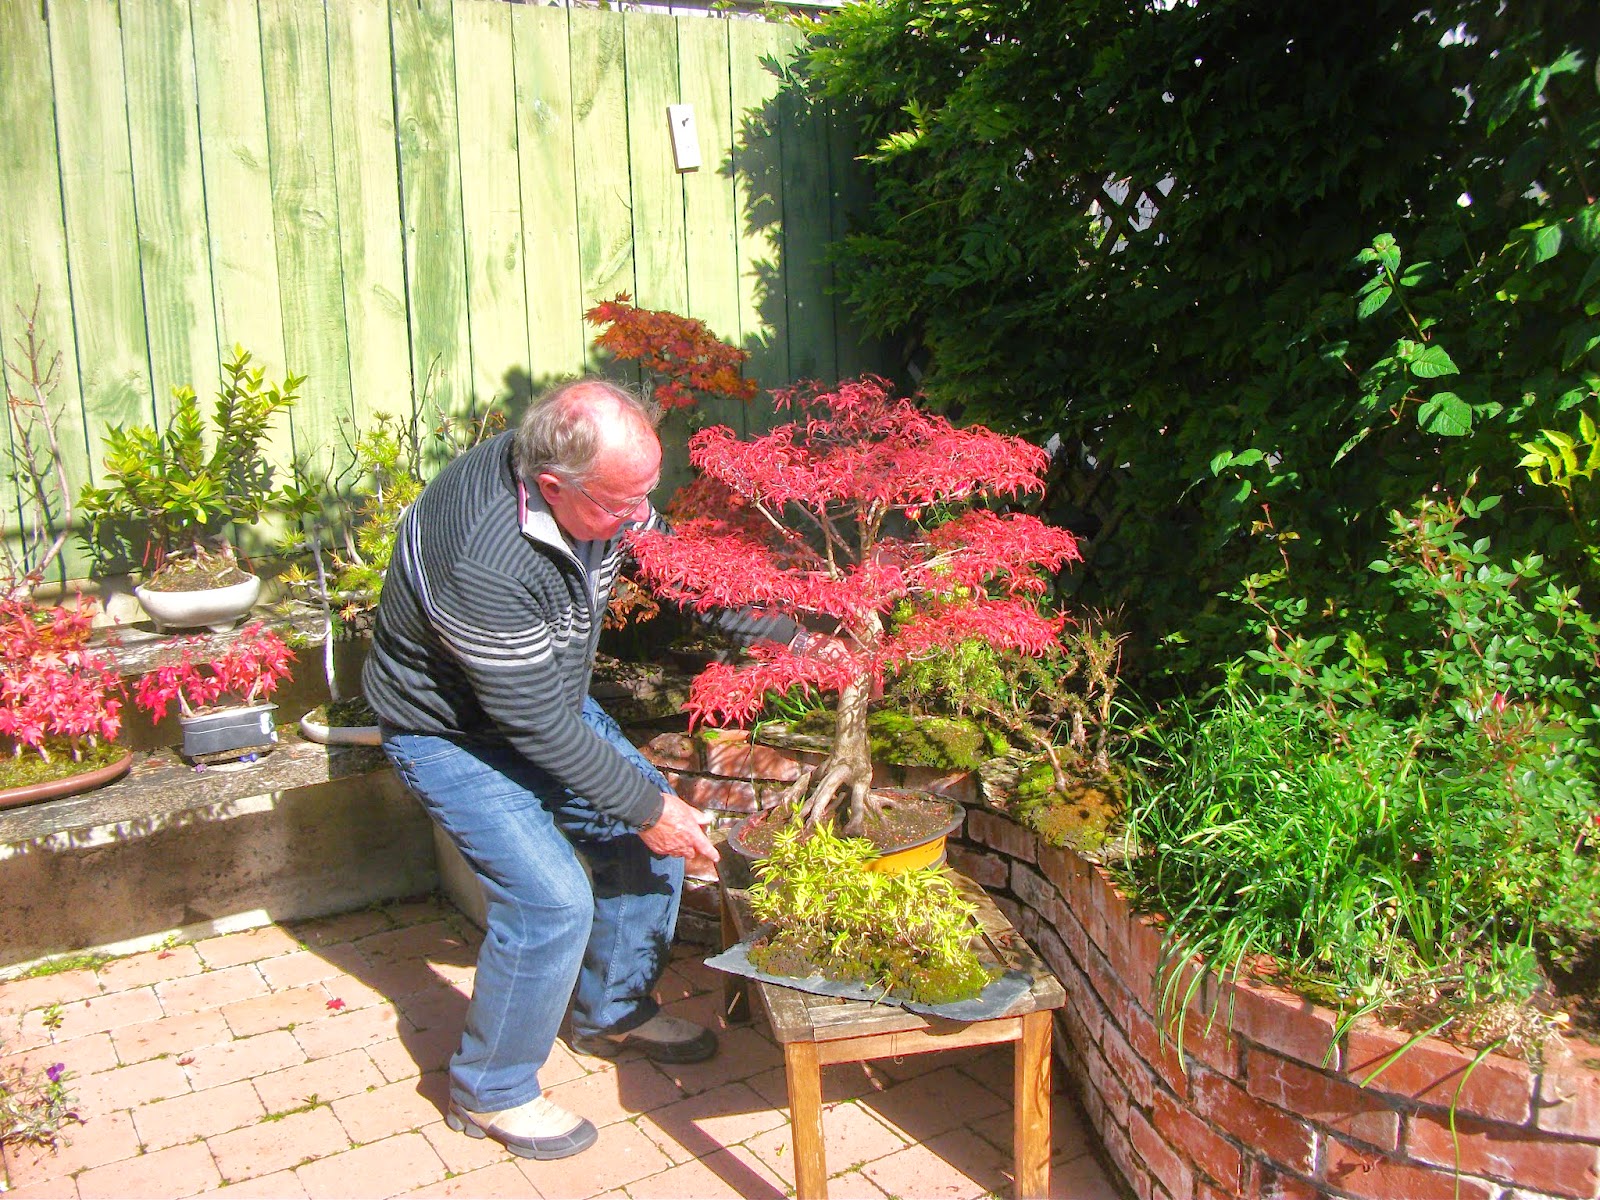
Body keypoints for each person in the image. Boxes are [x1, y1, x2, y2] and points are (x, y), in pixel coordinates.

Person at [363, 379, 789, 1161]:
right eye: (624, 503)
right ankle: (489, 1090)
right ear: (555, 485)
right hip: (451, 731)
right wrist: (650, 808)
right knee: (551, 900)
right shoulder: (484, 554)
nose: (640, 515)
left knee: (644, 840)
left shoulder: (596, 486)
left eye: (646, 494)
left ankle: (612, 1014)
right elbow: (532, 725)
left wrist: (791, 633)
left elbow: (673, 572)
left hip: (544, 699)